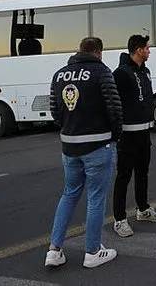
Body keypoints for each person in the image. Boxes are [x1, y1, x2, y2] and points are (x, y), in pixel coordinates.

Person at [45, 37, 122, 269]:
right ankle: (93, 251)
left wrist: (69, 127)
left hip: (69, 146)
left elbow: (55, 111)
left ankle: (54, 250)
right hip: (98, 144)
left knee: (68, 195)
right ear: (99, 52)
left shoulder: (59, 75)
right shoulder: (102, 72)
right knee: (96, 198)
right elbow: (114, 107)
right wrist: (115, 135)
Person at [112, 35, 156, 238]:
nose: (149, 51)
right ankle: (119, 219)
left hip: (144, 132)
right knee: (123, 176)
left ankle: (143, 210)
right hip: (127, 134)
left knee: (143, 172)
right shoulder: (121, 74)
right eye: (147, 48)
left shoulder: (146, 72)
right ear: (138, 49)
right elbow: (114, 104)